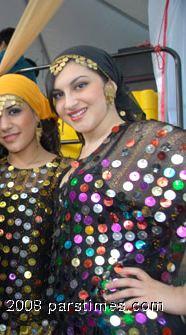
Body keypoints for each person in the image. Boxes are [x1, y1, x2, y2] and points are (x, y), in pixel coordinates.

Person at [44, 45, 186, 334]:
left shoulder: (155, 143)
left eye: (80, 85)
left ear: (110, 84)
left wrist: (178, 297)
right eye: (58, 95)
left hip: (133, 325)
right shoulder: (75, 161)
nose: (69, 102)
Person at [0, 74, 70, 335]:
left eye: (14, 111)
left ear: (37, 113)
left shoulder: (67, 175)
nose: (4, 125)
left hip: (46, 324)